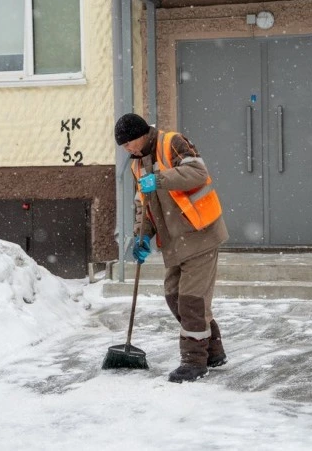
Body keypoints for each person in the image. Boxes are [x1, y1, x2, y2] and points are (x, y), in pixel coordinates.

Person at [114, 113, 229, 383]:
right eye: (123, 146)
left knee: (191, 301)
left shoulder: (172, 142)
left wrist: (161, 178)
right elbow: (144, 205)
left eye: (128, 143)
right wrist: (141, 236)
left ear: (141, 135)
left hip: (200, 233)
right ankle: (213, 351)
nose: (127, 149)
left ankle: (194, 361)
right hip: (176, 242)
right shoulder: (137, 165)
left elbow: (197, 172)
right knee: (174, 296)